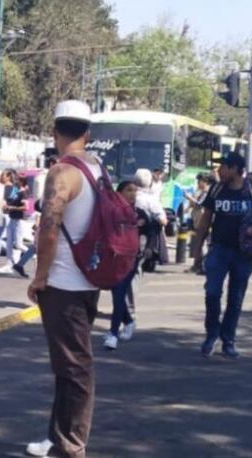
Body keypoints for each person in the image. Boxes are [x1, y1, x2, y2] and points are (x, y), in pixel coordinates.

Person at [25, 100, 101, 458]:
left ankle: (71, 447)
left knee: (74, 369)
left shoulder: (61, 173)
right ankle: (57, 438)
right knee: (68, 366)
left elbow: (49, 227)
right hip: (88, 279)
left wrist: (39, 277)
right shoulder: (97, 168)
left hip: (64, 284)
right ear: (87, 133)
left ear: (55, 132)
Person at [192, 151, 252, 359]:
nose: (219, 171)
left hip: (244, 253)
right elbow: (205, 220)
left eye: (224, 167)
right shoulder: (217, 189)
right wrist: (197, 250)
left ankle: (228, 340)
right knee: (212, 293)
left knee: (235, 298)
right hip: (219, 250)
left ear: (236, 170)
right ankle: (211, 334)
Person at [104, 181, 146, 351]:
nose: (132, 194)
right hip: (113, 258)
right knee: (117, 293)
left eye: (135, 191)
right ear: (119, 192)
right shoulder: (111, 210)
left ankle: (113, 334)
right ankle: (128, 321)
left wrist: (145, 248)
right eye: (129, 190)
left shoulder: (139, 213)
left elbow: (150, 229)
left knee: (119, 295)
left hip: (130, 260)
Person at [134, 168, 169, 271]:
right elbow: (163, 220)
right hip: (148, 231)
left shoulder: (126, 196)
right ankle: (150, 249)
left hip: (129, 231)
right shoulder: (151, 200)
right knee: (155, 228)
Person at [185, 172, 213, 274]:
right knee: (198, 244)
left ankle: (203, 266)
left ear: (206, 182)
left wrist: (189, 198)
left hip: (205, 224)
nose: (198, 183)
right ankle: (197, 265)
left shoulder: (209, 193)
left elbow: (200, 205)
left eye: (200, 181)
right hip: (198, 222)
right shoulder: (200, 192)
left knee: (205, 245)